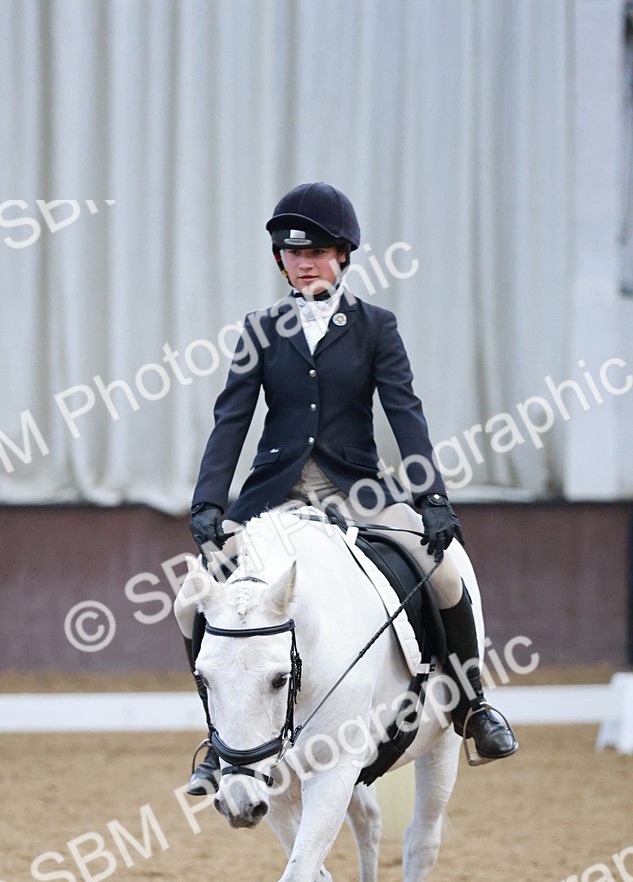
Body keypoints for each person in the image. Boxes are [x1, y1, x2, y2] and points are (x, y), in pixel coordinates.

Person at [178, 181, 517, 793]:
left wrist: (432, 498)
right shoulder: (258, 329)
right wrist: (208, 502)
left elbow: (404, 412)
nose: (303, 263)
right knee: (189, 600)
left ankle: (472, 705)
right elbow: (231, 420)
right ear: (280, 259)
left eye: (315, 252)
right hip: (274, 495)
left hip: (357, 490)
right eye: (292, 253)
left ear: (342, 255)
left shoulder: (376, 326)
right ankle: (218, 739)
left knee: (442, 572)